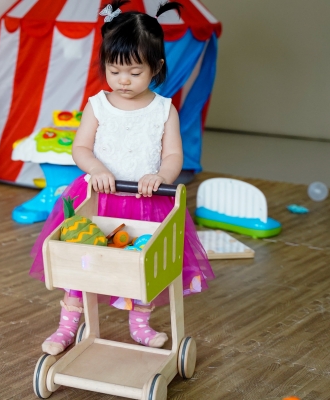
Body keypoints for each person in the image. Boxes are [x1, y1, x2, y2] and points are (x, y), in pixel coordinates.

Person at [28, 0, 215, 356]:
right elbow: (80, 148)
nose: (123, 81)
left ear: (156, 67)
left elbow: (175, 154)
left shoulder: (164, 108)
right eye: (115, 71)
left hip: (145, 202)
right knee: (81, 259)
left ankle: (140, 324)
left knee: (142, 263)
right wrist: (96, 169)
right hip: (99, 197)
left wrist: (160, 175)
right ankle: (68, 324)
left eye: (134, 72)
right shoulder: (98, 104)